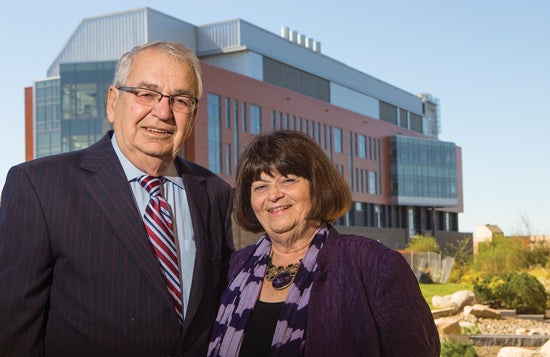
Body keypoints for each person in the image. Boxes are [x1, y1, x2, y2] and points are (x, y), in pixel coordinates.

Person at [0, 41, 234, 356]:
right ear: (113, 102)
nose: (162, 112)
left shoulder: (215, 194)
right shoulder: (39, 187)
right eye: (146, 94)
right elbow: (14, 333)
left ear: (193, 115)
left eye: (180, 100)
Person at [208, 130, 440, 356]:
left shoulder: (374, 265)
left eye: (288, 180)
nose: (273, 195)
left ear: (318, 186)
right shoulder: (235, 267)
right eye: (260, 186)